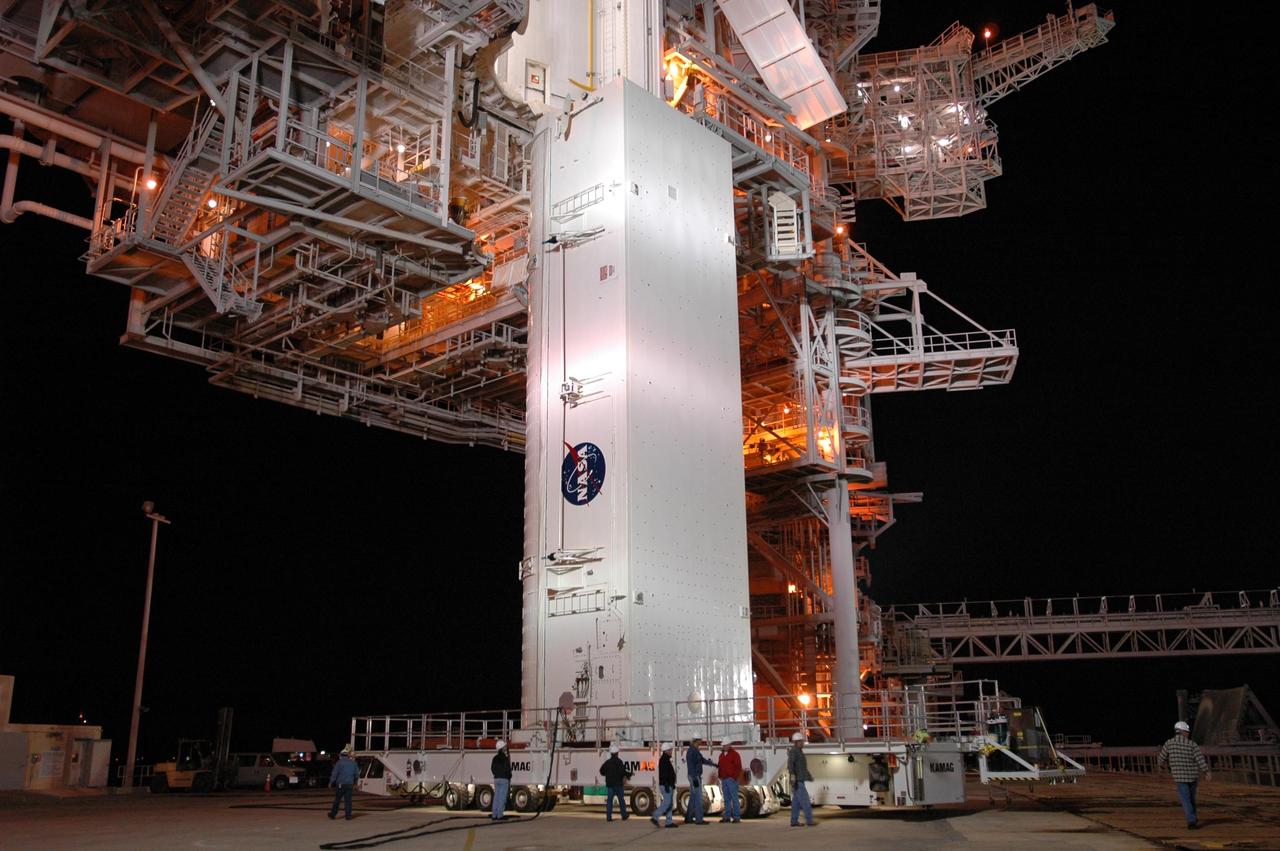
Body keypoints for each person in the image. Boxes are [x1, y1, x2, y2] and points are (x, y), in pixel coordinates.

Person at [1157, 721, 1210, 829]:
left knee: (1185, 799)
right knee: (1192, 799)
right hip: (1192, 776)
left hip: (1179, 777)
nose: (1188, 733)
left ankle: (1191, 821)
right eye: (1187, 731)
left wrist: (1161, 766)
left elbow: (1161, 758)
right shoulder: (1192, 744)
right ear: (1183, 732)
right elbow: (1200, 759)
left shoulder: (1169, 743)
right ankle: (1193, 818)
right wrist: (1206, 771)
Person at [684, 738, 715, 825]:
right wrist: (694, 778)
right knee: (698, 798)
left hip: (694, 776)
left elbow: (702, 760)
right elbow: (691, 766)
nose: (701, 742)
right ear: (696, 741)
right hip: (695, 776)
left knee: (693, 797)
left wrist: (712, 764)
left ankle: (689, 818)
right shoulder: (691, 751)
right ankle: (699, 819)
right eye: (700, 740)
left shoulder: (695, 750)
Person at [788, 731, 815, 827]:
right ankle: (809, 820)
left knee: (796, 803)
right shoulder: (794, 751)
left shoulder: (799, 751)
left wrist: (809, 776)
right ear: (797, 742)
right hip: (797, 781)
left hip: (800, 780)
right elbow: (790, 764)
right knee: (805, 800)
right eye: (801, 741)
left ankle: (794, 821)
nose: (803, 743)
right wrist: (792, 776)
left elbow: (802, 767)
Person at [599, 743, 631, 821]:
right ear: (617, 753)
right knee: (621, 800)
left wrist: (607, 774)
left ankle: (608, 817)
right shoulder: (619, 762)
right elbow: (622, 772)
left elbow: (601, 771)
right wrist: (629, 774)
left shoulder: (607, 762)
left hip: (610, 785)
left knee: (609, 801)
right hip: (618, 784)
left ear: (611, 753)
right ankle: (624, 815)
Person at [650, 742, 678, 828]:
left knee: (669, 804)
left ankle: (668, 822)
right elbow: (664, 774)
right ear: (666, 751)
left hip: (668, 784)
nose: (671, 751)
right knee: (667, 803)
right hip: (666, 785)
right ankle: (655, 816)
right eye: (670, 750)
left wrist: (671, 784)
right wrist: (667, 784)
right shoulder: (664, 760)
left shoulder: (665, 760)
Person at [327, 745, 358, 821]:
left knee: (337, 800)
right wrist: (355, 783)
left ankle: (333, 814)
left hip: (340, 784)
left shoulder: (339, 763)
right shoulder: (353, 763)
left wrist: (331, 782)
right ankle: (348, 816)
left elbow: (335, 773)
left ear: (341, 755)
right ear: (348, 755)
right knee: (348, 801)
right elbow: (356, 774)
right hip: (349, 785)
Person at [716, 743, 743, 823]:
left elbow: (738, 767)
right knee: (727, 799)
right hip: (724, 779)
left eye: (725, 745)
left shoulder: (735, 755)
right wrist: (720, 776)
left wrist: (734, 777)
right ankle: (727, 817)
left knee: (734, 799)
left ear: (729, 745)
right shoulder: (721, 755)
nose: (724, 746)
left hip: (731, 779)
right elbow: (720, 766)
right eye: (723, 745)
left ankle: (736, 817)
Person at [491, 739, 512, 820]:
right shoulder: (505, 758)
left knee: (496, 797)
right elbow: (507, 769)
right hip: (504, 779)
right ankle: (500, 815)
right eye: (504, 747)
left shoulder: (495, 758)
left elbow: (492, 768)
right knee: (502, 797)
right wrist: (509, 776)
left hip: (496, 778)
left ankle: (494, 815)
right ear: (502, 748)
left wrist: (496, 774)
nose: (505, 748)